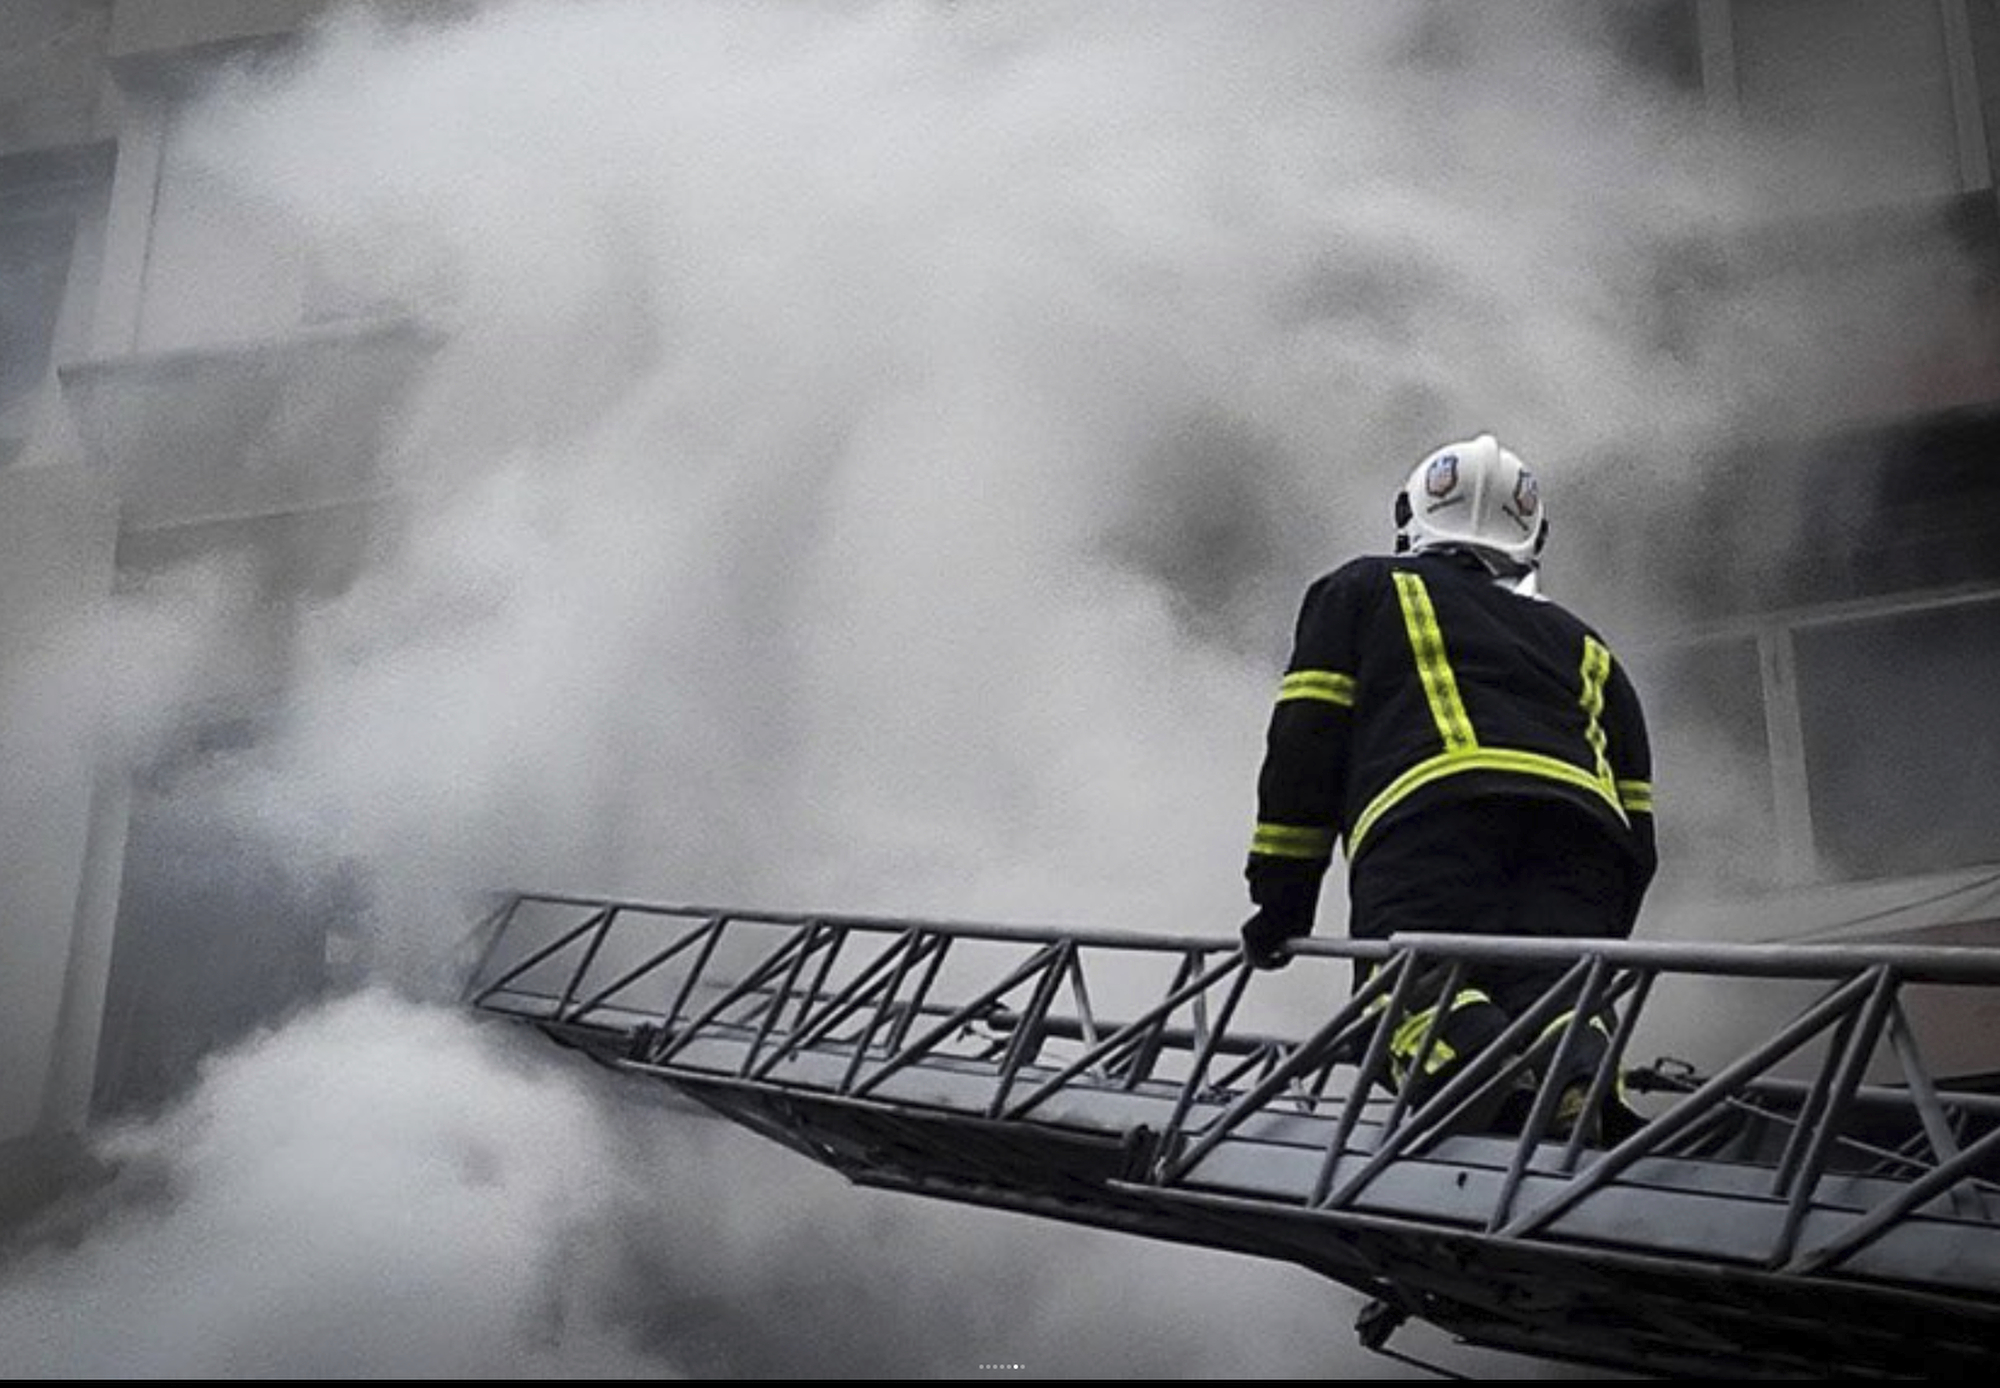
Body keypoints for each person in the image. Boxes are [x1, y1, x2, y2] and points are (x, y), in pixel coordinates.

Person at [1239, 432, 1656, 1138]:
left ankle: (1478, 1075)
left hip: (1435, 822)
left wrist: (1281, 903)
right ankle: (1575, 1084)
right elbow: (1636, 814)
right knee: (1558, 997)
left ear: (1409, 513)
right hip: (1584, 845)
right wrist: (1598, 930)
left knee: (1409, 995)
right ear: (1535, 536)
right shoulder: (1587, 644)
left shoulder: (1363, 590)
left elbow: (1304, 748)